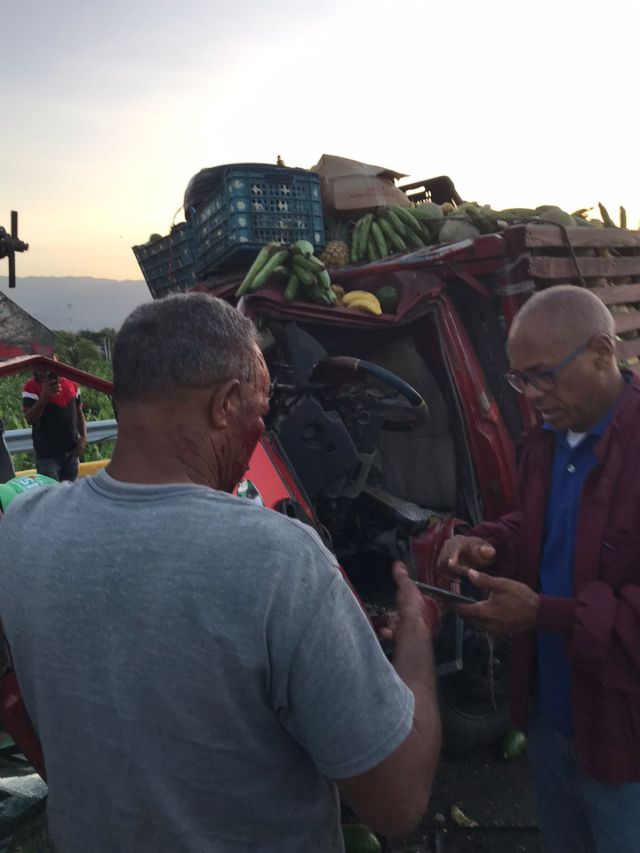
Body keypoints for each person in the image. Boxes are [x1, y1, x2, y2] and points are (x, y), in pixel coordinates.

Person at [0, 293, 441, 853]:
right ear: (225, 404)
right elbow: (397, 802)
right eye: (260, 409)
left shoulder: (21, 529)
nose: (262, 428)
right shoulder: (281, 561)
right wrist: (416, 638)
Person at [436, 285, 640, 853]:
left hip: (624, 742)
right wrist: (484, 543)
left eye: (543, 375)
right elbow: (539, 528)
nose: (531, 395)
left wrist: (543, 614)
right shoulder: (547, 441)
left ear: (603, 352)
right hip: (552, 723)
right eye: (521, 379)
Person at [21, 362, 86, 481]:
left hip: (71, 452)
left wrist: (83, 438)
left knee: (71, 495)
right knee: (51, 495)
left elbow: (79, 412)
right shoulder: (31, 386)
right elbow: (30, 419)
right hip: (47, 456)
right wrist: (44, 398)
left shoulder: (72, 382)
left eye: (51, 360)